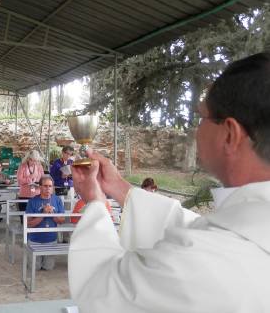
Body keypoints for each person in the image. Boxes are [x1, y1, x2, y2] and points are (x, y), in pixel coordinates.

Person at [68, 51, 270, 312]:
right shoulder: (249, 229)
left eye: (202, 117)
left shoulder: (204, 261)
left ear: (230, 135)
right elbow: (195, 227)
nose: (196, 130)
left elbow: (101, 286)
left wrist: (96, 204)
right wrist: (119, 188)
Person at [25, 175, 65, 270]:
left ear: (53, 187)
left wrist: (52, 214)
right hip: (35, 240)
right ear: (39, 187)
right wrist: (43, 214)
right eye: (45, 186)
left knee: (48, 268)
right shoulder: (32, 201)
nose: (48, 188)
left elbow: (61, 221)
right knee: (35, 268)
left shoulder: (58, 200)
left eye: (50, 186)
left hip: (51, 240)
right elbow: (28, 224)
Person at [16, 150, 44, 221]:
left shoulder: (39, 166)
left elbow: (43, 180)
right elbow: (19, 181)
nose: (35, 163)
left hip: (37, 194)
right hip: (24, 195)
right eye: (33, 161)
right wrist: (30, 178)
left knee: (36, 217)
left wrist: (39, 184)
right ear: (28, 158)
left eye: (36, 161)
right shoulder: (22, 166)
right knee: (24, 217)